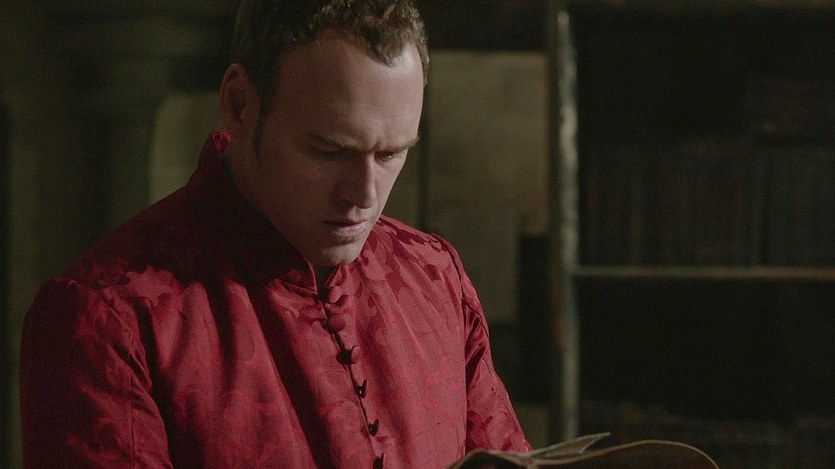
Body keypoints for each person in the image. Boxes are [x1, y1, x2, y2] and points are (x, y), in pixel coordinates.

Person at [19, 0, 531, 467]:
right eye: (329, 151)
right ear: (240, 104)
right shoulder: (109, 318)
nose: (364, 194)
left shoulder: (434, 276)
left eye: (391, 154)